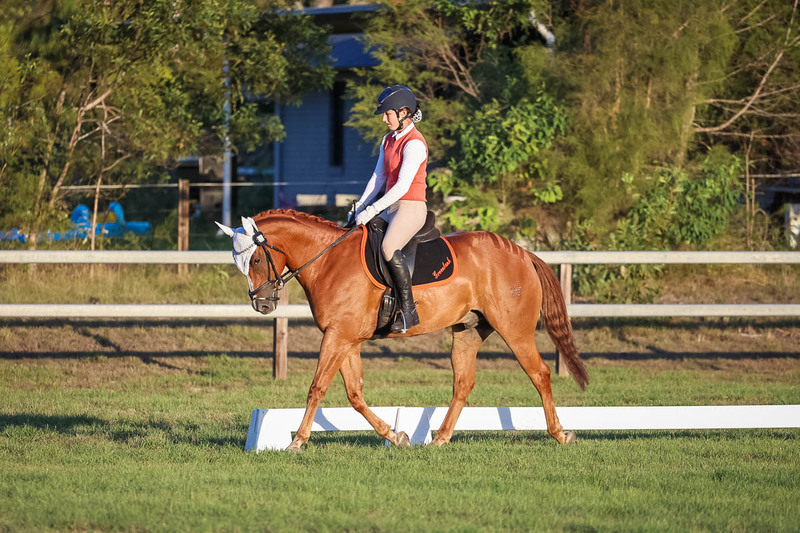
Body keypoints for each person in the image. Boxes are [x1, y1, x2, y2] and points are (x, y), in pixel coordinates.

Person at [350, 85, 428, 334]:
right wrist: (359, 207)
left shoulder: (414, 143)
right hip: (391, 205)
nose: (384, 119)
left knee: (387, 247)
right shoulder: (388, 140)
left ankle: (408, 311)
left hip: (411, 206)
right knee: (359, 238)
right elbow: (378, 177)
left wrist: (372, 209)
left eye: (388, 114)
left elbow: (403, 187)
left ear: (404, 112)